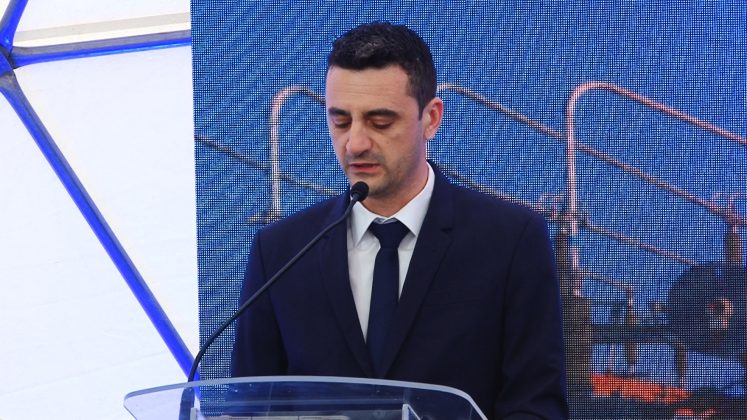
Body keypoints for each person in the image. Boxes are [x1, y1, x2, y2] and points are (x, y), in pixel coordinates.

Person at [231, 22, 568, 419]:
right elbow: (248, 407)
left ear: (431, 118)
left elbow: (536, 407)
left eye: (380, 122)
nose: (355, 143)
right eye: (340, 121)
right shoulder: (280, 252)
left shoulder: (510, 241)